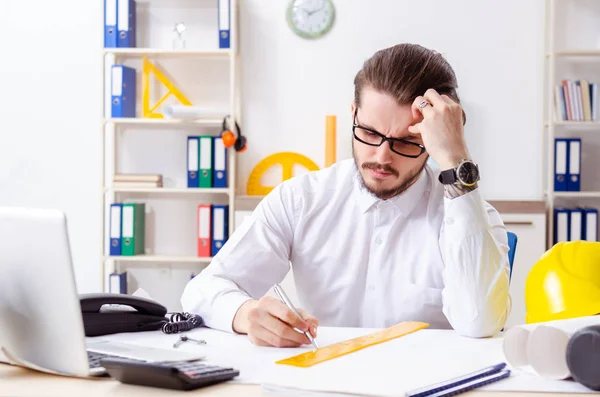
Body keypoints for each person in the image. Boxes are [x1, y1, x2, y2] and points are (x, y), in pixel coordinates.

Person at [181, 43, 511, 347]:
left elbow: (480, 322)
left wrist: (456, 162)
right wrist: (245, 314)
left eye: (407, 143)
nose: (382, 157)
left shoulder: (467, 213)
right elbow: (203, 289)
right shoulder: (301, 199)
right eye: (369, 132)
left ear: (433, 140)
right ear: (353, 114)